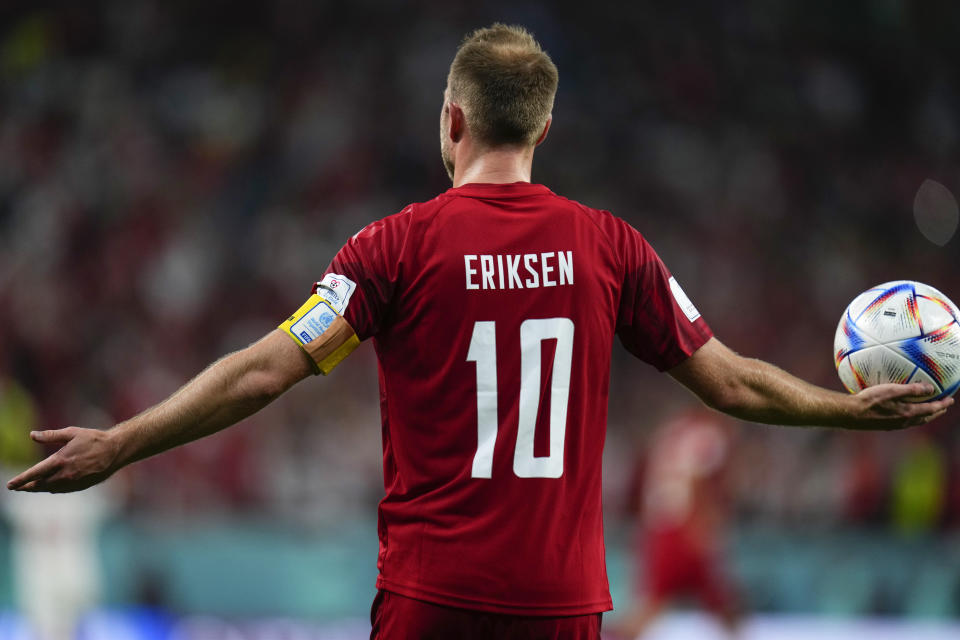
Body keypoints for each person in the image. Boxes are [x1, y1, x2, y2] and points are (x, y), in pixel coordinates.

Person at [6, 23, 953, 640]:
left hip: (432, 603)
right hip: (562, 607)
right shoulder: (610, 247)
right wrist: (848, 413)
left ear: (452, 119)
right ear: (542, 129)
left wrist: (122, 443)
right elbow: (734, 382)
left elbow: (262, 372)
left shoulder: (391, 247)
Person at [612, 409, 742, 639]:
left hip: (660, 526)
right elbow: (697, 480)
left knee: (657, 603)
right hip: (685, 527)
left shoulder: (671, 430)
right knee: (720, 603)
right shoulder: (709, 432)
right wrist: (703, 526)